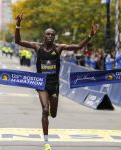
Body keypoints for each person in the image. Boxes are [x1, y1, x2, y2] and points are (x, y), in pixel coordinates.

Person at [15, 12, 98, 150]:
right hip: (41, 83)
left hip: (54, 85)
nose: (50, 36)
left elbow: (77, 47)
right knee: (44, 110)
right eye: (48, 34)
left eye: (52, 35)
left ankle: (51, 113)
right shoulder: (37, 47)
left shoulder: (58, 48)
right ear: (44, 36)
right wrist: (18, 24)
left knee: (53, 114)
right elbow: (18, 41)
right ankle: (46, 142)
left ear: (54, 37)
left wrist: (90, 35)